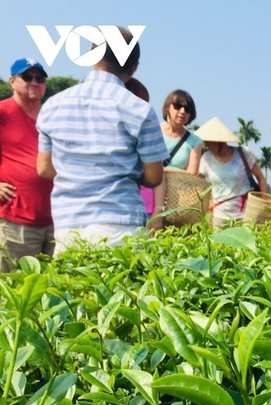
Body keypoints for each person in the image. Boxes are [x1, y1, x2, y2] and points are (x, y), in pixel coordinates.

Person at [36, 26, 167, 253]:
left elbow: (44, 168)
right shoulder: (139, 109)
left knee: (72, 289)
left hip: (68, 225)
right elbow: (154, 177)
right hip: (120, 224)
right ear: (134, 67)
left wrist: (80, 173)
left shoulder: (52, 106)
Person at [0, 58, 53, 271]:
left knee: (54, 291)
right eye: (27, 77)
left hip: (55, 218)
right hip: (15, 219)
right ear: (12, 81)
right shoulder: (2, 112)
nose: (34, 82)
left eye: (39, 78)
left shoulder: (52, 115)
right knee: (12, 289)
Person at [145, 90, 204, 228]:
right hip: (149, 189)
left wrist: (160, 169)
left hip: (177, 198)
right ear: (168, 108)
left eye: (187, 109)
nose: (182, 111)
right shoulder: (154, 130)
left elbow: (192, 172)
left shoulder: (195, 141)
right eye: (177, 106)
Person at [196, 117, 267, 229]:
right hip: (220, 214)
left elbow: (261, 178)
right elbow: (199, 183)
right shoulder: (206, 159)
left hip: (245, 214)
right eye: (206, 143)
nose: (207, 145)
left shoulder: (243, 153)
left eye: (210, 143)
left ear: (220, 142)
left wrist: (263, 205)